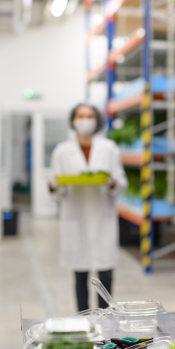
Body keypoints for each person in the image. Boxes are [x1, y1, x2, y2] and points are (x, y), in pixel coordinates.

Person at [50, 103, 127, 312]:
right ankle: (83, 321)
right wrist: (54, 184)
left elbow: (121, 182)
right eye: (81, 115)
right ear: (73, 120)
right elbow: (56, 187)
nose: (85, 120)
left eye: (89, 116)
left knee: (106, 276)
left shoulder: (109, 148)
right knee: (79, 276)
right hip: (75, 218)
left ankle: (107, 320)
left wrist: (111, 182)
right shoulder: (62, 151)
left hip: (102, 217)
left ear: (97, 120)